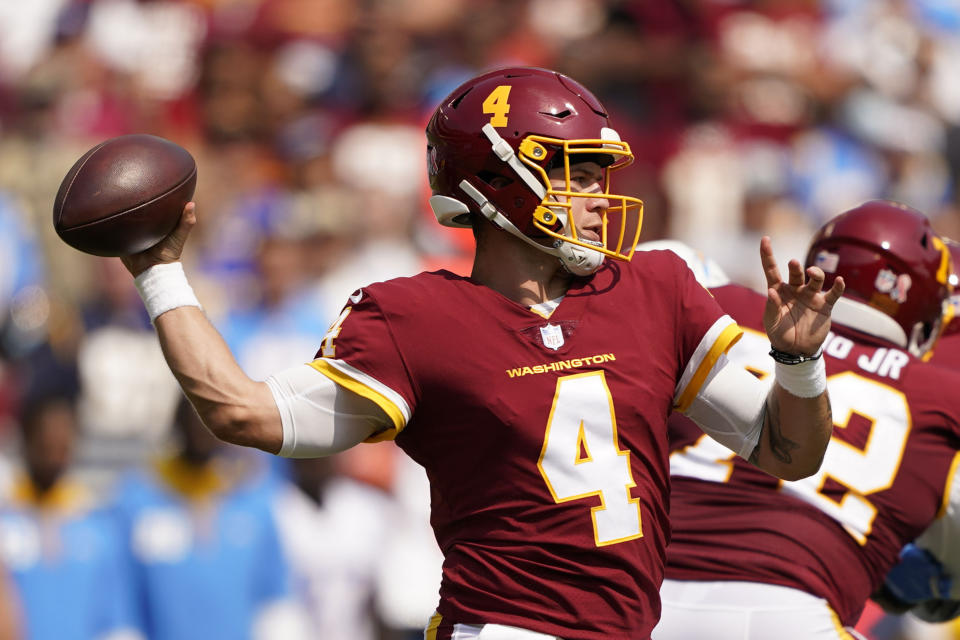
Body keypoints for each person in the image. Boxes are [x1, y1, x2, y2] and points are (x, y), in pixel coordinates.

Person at [115, 66, 843, 639]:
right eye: (577, 173)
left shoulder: (655, 287)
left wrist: (798, 365)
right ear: (498, 179)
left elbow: (789, 452)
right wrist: (157, 270)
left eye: (600, 176)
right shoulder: (416, 319)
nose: (599, 197)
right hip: (505, 628)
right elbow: (242, 413)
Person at [654, 200, 960, 640]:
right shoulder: (941, 398)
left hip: (640, 595)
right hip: (797, 613)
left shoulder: (713, 300)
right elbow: (942, 586)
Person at [112, 396, 300, 640]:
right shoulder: (138, 500)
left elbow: (274, 597)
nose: (202, 429)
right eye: (195, 418)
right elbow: (120, 598)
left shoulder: (251, 499)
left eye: (210, 419)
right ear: (177, 421)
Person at [0, 392, 140, 640]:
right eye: (46, 445)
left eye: (62, 447)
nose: (54, 457)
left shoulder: (97, 523)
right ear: (26, 439)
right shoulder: (7, 518)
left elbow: (117, 616)